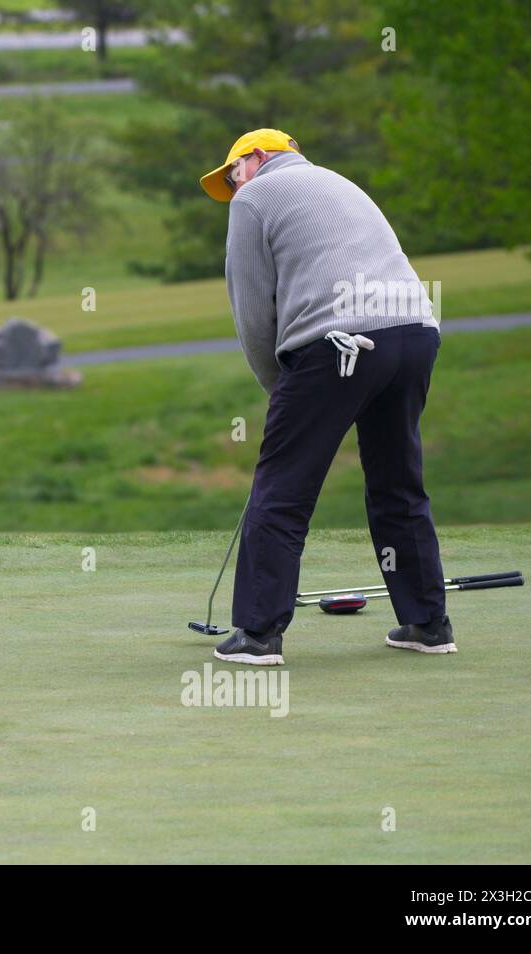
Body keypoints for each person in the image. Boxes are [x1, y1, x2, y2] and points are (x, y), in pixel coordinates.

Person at [199, 128, 451, 664]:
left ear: (259, 158)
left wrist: (278, 386)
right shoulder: (337, 181)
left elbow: (250, 310)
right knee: (397, 481)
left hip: (340, 344)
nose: (231, 185)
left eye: (232, 172)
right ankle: (428, 622)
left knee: (283, 486)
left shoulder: (254, 196)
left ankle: (259, 633)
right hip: (416, 333)